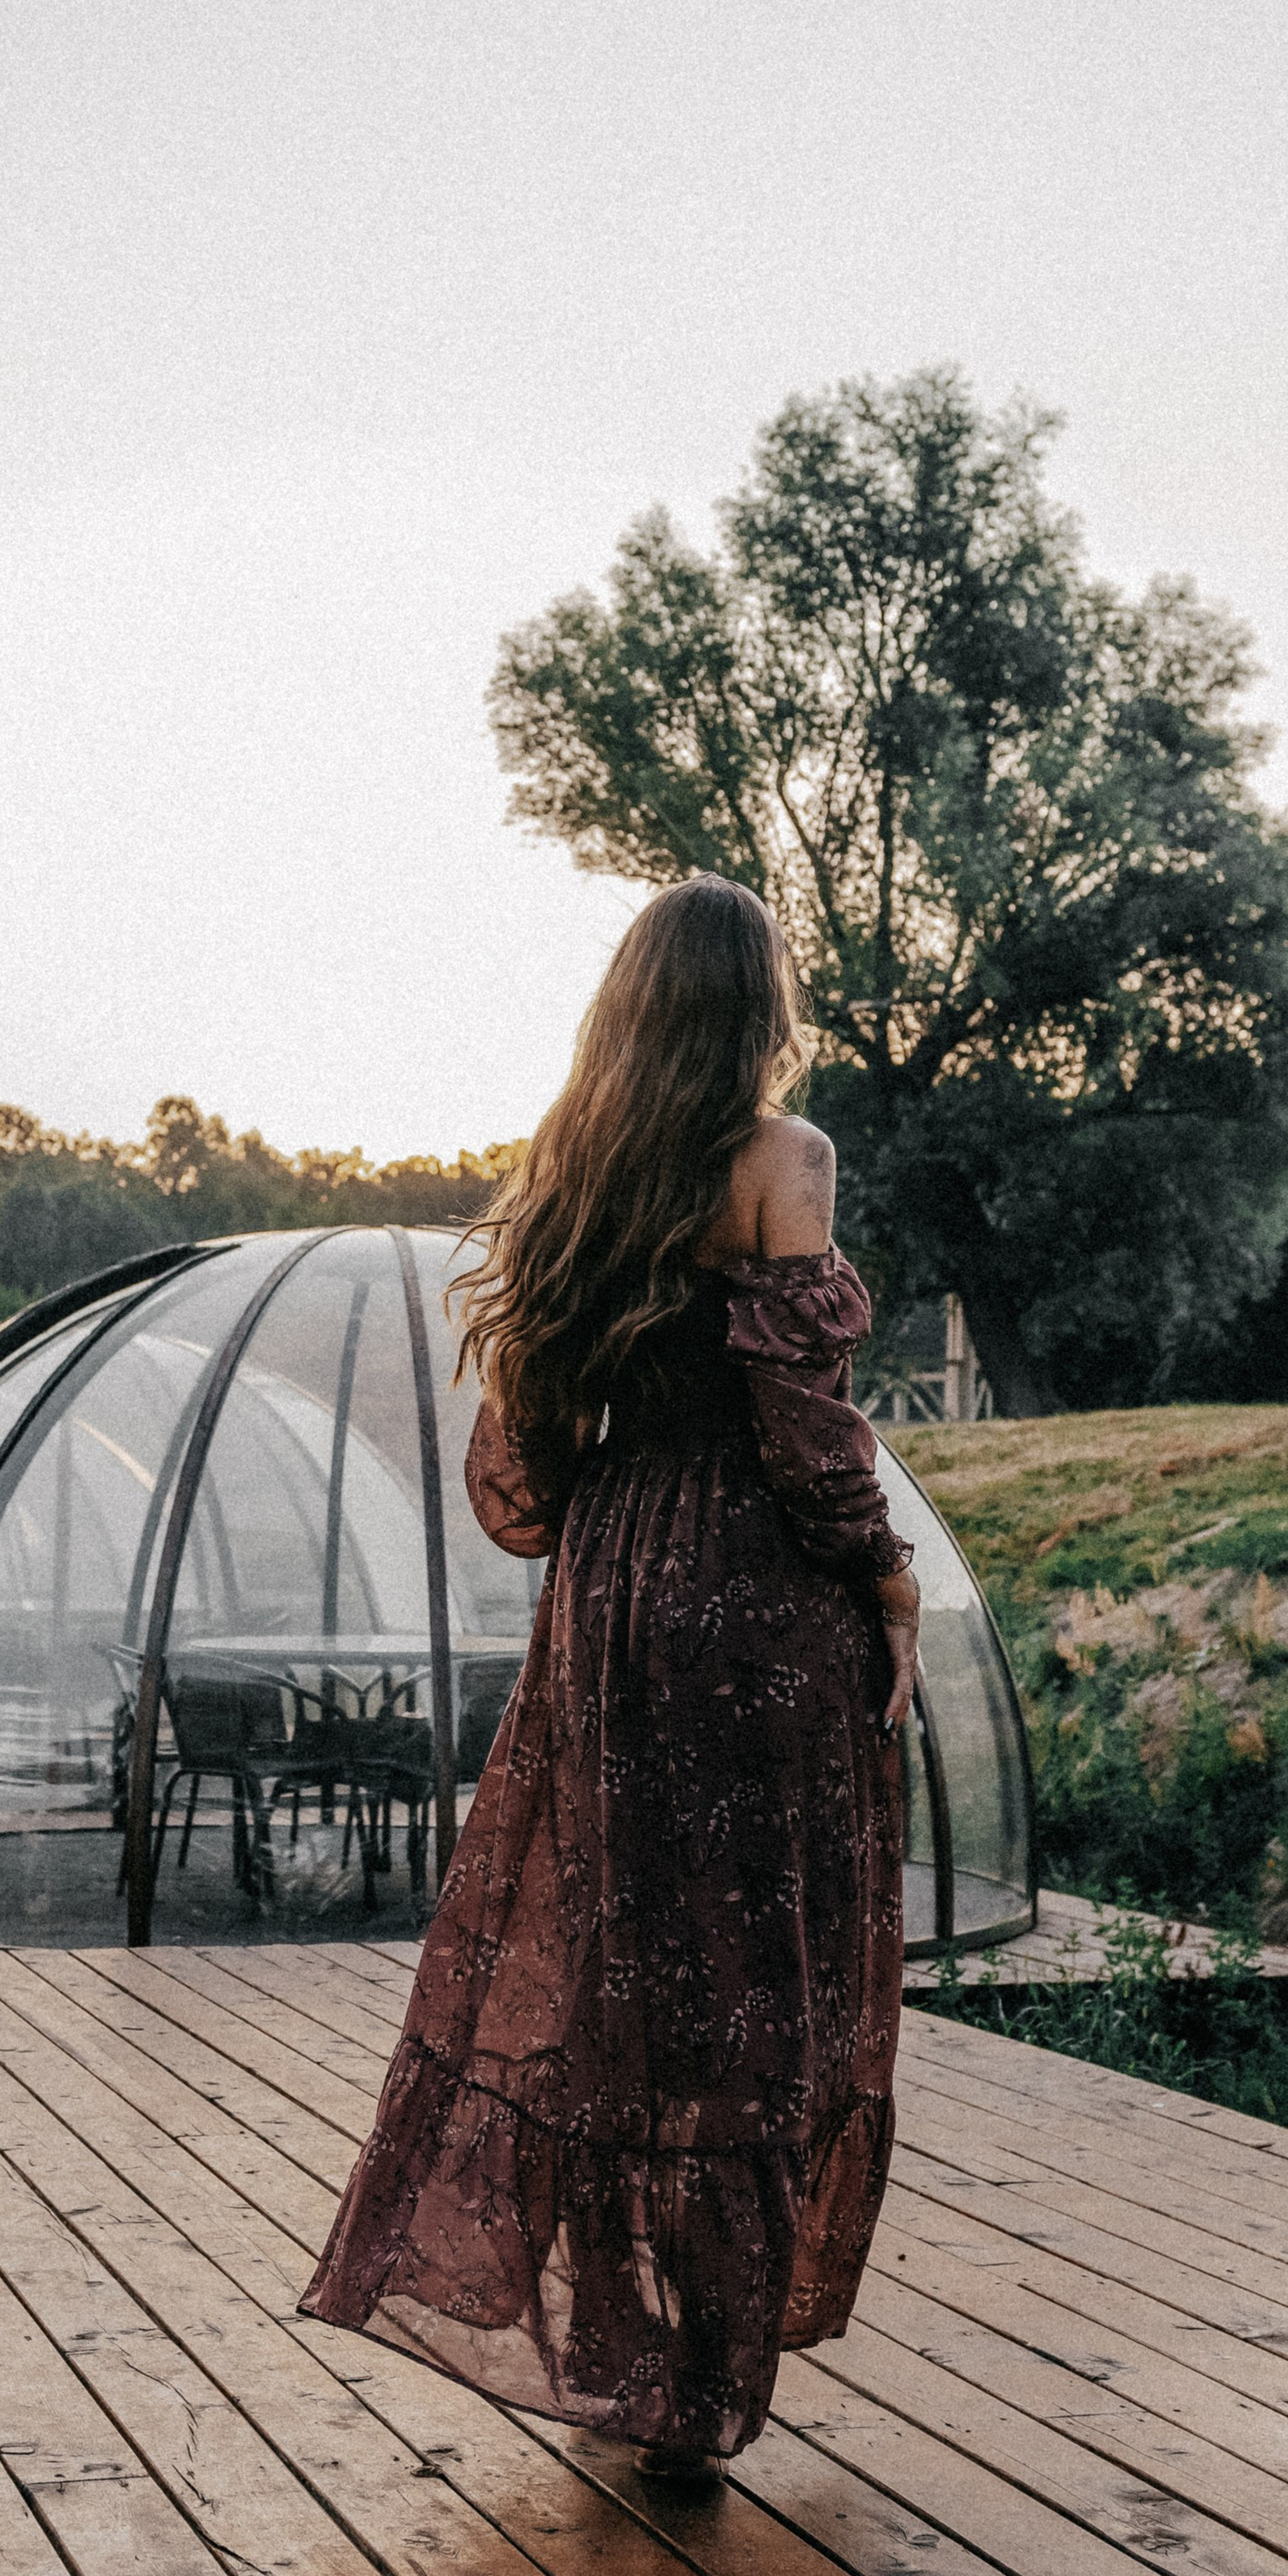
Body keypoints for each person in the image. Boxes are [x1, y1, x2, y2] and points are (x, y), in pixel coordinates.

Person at [300, 874, 920, 2482]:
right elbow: (804, 1432)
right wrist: (888, 1569)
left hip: (615, 1605)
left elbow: (518, 1475)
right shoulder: (787, 1161)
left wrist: (622, 1533)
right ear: (757, 998)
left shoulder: (576, 1167)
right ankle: (706, 2393)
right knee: (758, 1985)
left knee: (623, 1977)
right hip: (757, 1610)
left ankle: (630, 2348)